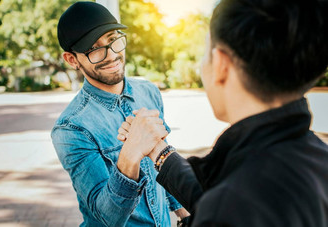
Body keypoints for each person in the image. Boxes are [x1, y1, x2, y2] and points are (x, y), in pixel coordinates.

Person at [118, 0, 328, 226]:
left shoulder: (227, 208)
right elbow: (225, 194)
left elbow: (229, 202)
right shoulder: (317, 158)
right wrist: (159, 151)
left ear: (221, 65)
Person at [51, 2, 188, 226]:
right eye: (94, 49)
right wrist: (130, 154)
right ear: (72, 60)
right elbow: (107, 217)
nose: (111, 55)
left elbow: (161, 169)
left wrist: (185, 213)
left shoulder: (149, 92)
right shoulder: (71, 128)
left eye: (113, 40)